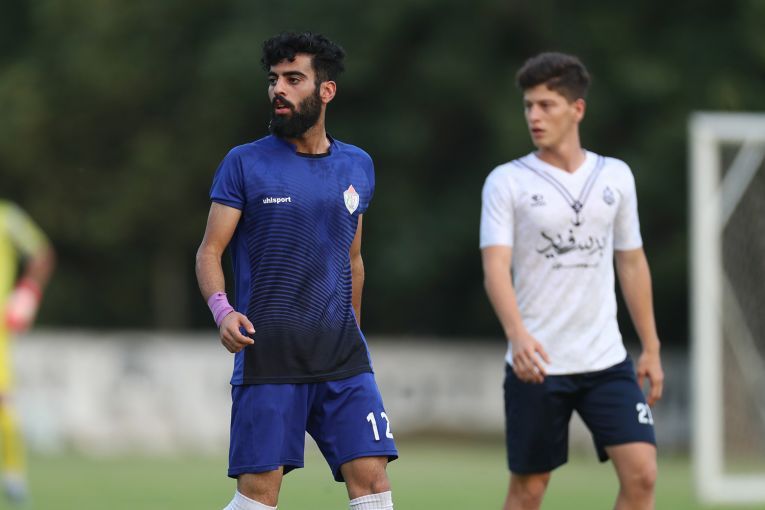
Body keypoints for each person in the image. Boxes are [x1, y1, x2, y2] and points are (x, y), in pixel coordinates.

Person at [195, 32, 397, 510]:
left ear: (326, 90)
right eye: (274, 80)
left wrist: (354, 333)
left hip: (343, 359)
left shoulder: (358, 165)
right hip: (269, 357)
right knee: (259, 496)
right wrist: (223, 311)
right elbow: (209, 252)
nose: (278, 90)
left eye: (293, 79)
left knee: (373, 483)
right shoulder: (244, 163)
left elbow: (352, 259)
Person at [480, 52, 664, 510]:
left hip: (606, 359)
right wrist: (517, 335)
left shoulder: (616, 176)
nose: (534, 116)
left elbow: (632, 263)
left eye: (546, 105)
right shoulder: (507, 181)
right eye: (528, 106)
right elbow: (496, 267)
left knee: (642, 474)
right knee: (529, 491)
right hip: (538, 362)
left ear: (577, 109)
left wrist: (651, 346)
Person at [0, 200, 55, 504]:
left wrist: (27, 296)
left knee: (4, 406)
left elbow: (41, 254)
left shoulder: (7, 218)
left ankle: (13, 476)